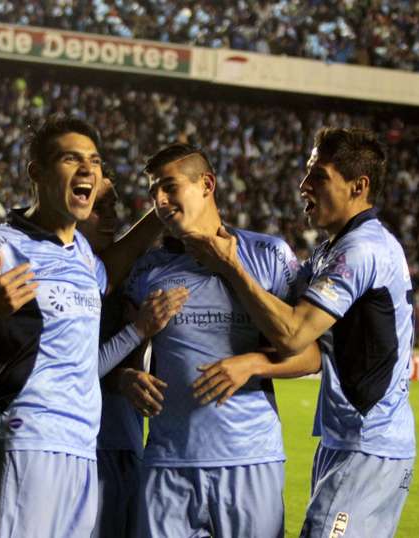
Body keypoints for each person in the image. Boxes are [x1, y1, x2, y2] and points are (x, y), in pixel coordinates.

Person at [0, 114, 162, 538]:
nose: (88, 169)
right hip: (24, 443)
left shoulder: (83, 255)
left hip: (82, 451)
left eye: (94, 160)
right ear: (37, 173)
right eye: (71, 159)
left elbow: (114, 265)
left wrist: (164, 211)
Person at [182, 127, 416, 538]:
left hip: (368, 444)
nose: (303, 185)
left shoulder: (361, 251)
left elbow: (292, 334)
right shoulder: (335, 248)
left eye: (318, 175)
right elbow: (281, 313)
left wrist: (230, 266)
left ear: (358, 186)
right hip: (352, 442)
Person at [126, 143, 321, 537]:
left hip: (250, 459)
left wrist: (251, 364)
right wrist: (127, 377)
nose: (159, 202)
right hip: (169, 461)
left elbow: (311, 355)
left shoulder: (269, 255)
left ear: (206, 184)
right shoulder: (147, 268)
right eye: (152, 193)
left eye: (168, 187)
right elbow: (127, 356)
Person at [78, 177, 187, 538]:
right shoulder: (66, 281)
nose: (110, 217)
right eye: (99, 208)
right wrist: (134, 341)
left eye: (114, 207)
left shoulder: (130, 276)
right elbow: (73, 370)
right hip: (85, 452)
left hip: (130, 445)